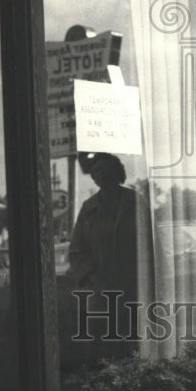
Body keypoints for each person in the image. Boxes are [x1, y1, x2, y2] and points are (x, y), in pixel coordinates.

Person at [67, 152, 153, 360]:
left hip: (135, 289)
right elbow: (77, 251)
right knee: (105, 349)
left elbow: (152, 242)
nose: (100, 176)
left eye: (105, 171)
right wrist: (92, 279)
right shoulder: (89, 208)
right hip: (102, 293)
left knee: (136, 345)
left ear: (117, 173)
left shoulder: (135, 201)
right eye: (96, 172)